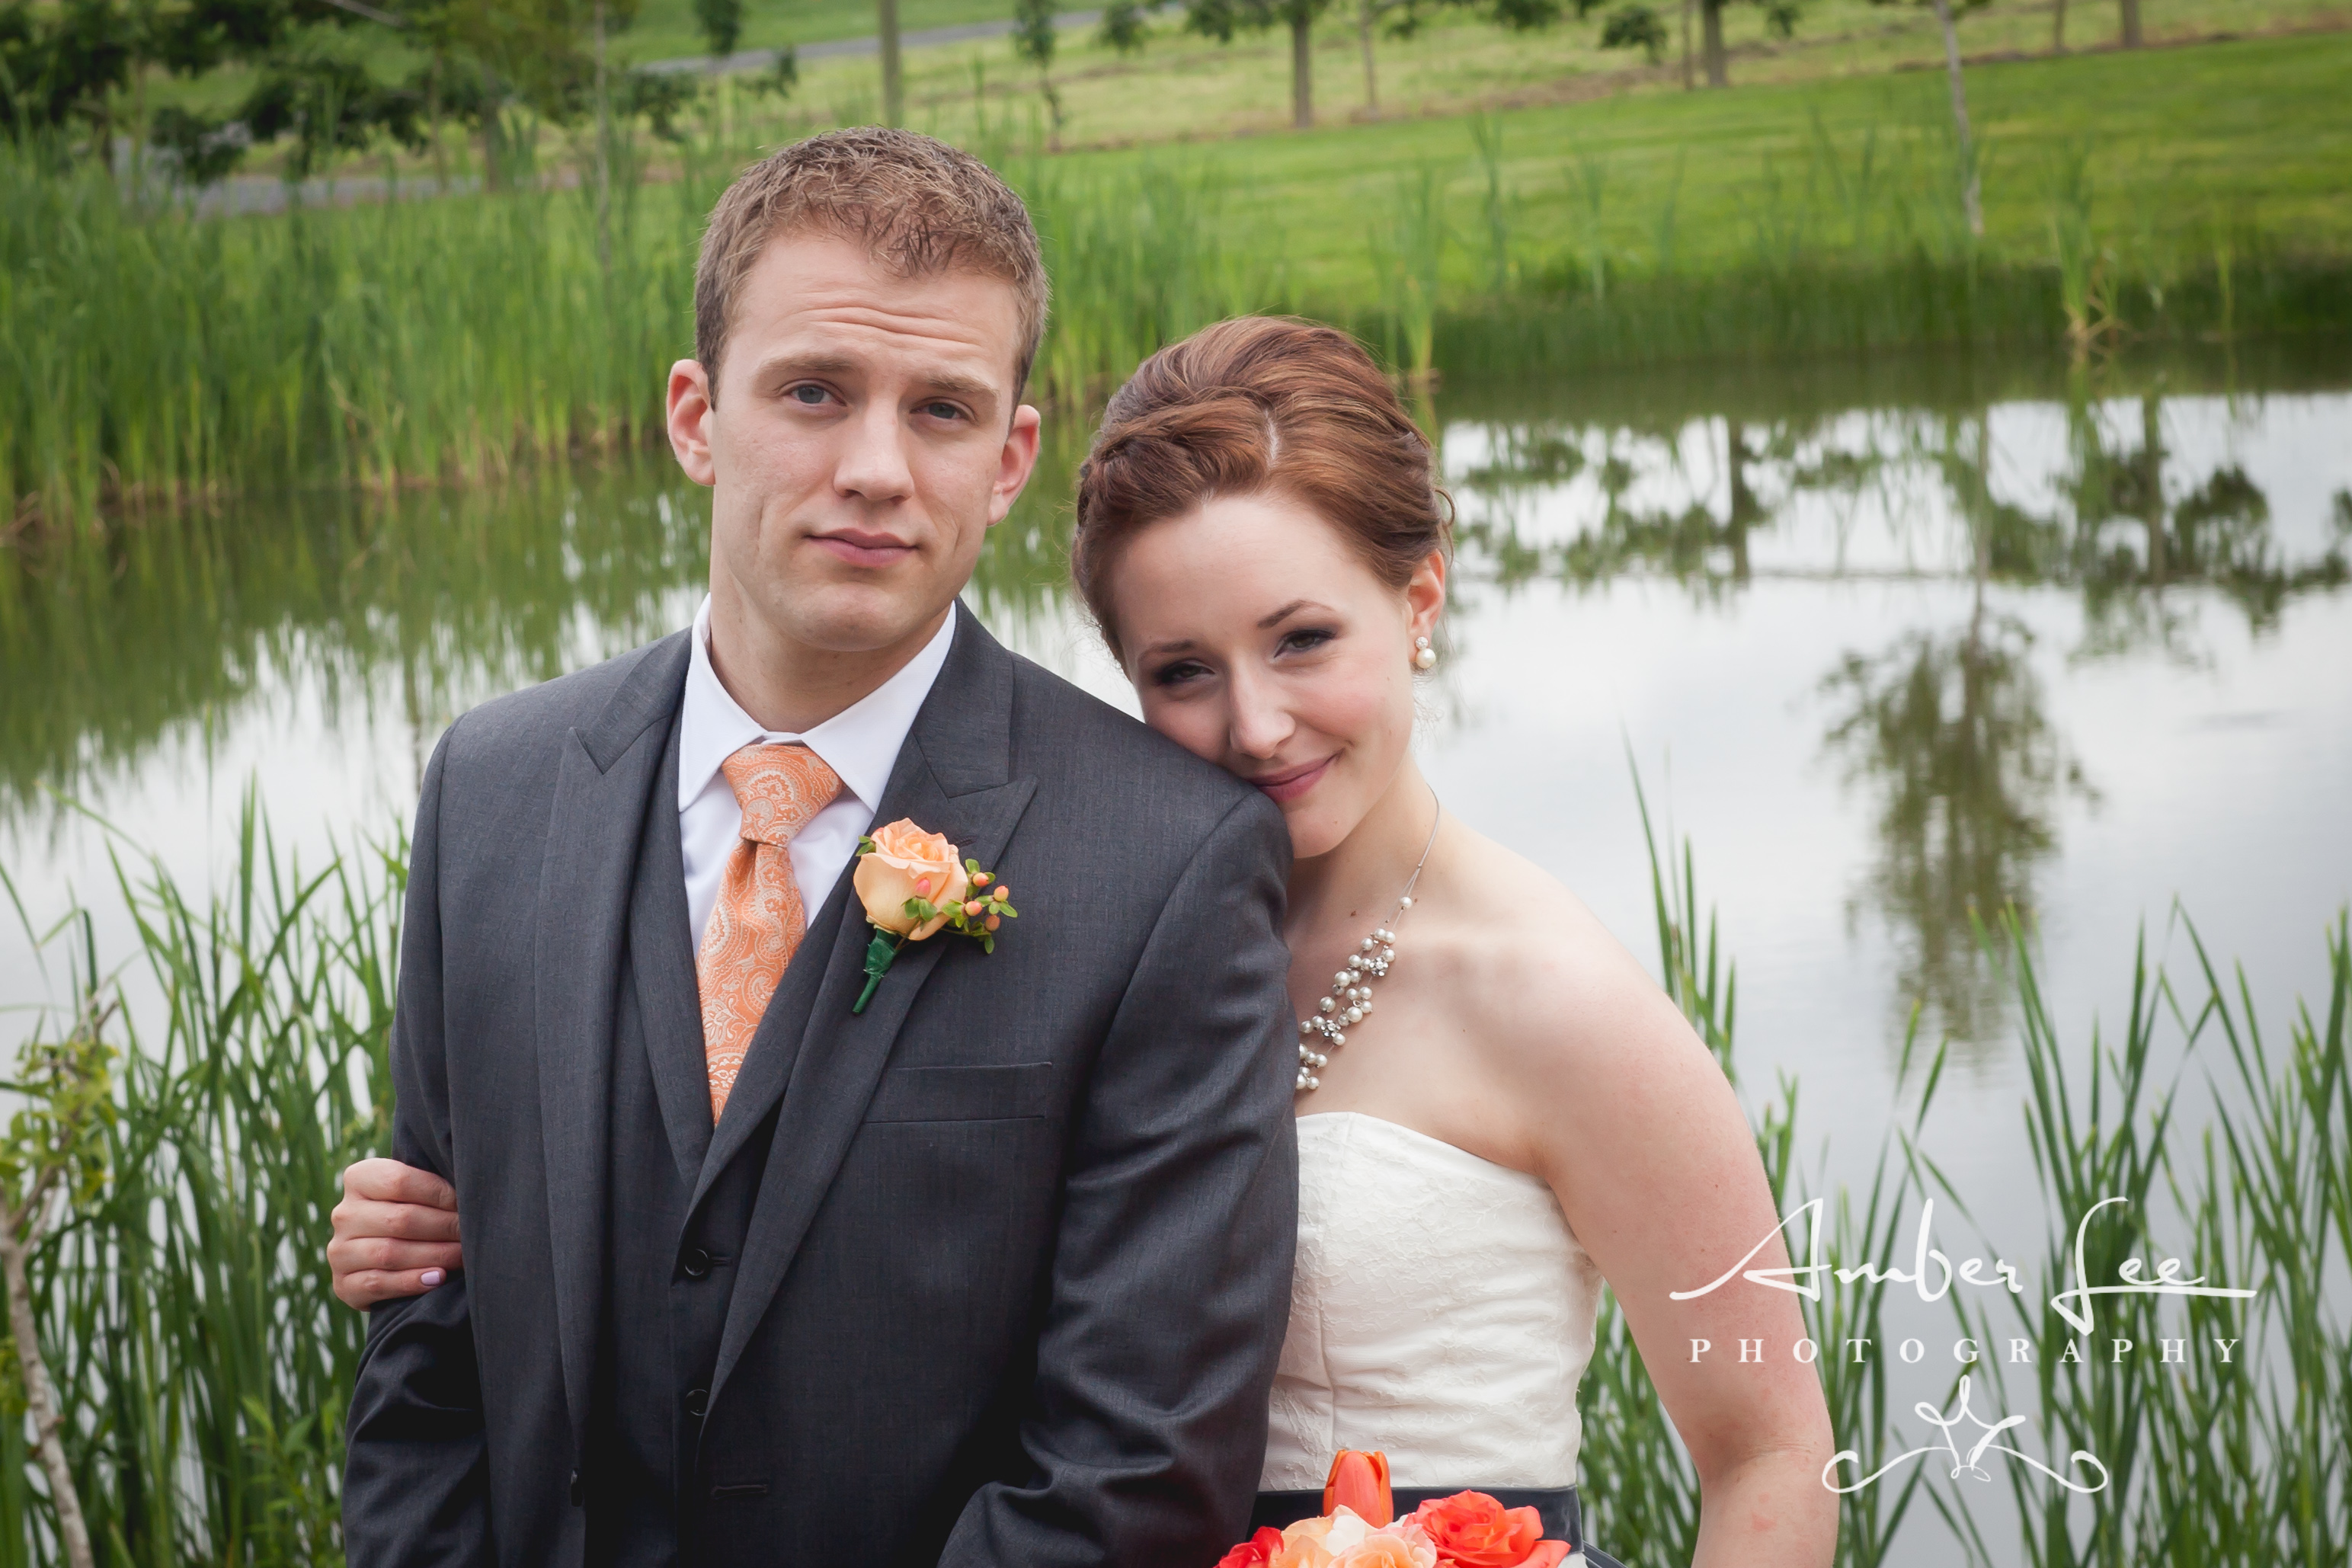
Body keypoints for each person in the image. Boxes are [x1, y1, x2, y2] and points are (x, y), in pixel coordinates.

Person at [338, 314, 1837, 1564]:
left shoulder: (1556, 1004)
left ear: (1417, 601)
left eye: (1302, 639)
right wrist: (478, 1213)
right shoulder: (1069, 917)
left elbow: (1767, 1456)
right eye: (1180, 671)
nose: (1252, 724)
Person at [334, 130, 1301, 1568]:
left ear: (1012, 457)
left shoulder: (1170, 861)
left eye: (943, 411)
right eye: (813, 391)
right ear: (694, 416)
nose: (875, 468)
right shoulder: (493, 787)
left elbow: (1134, 1468)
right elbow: (428, 1354)